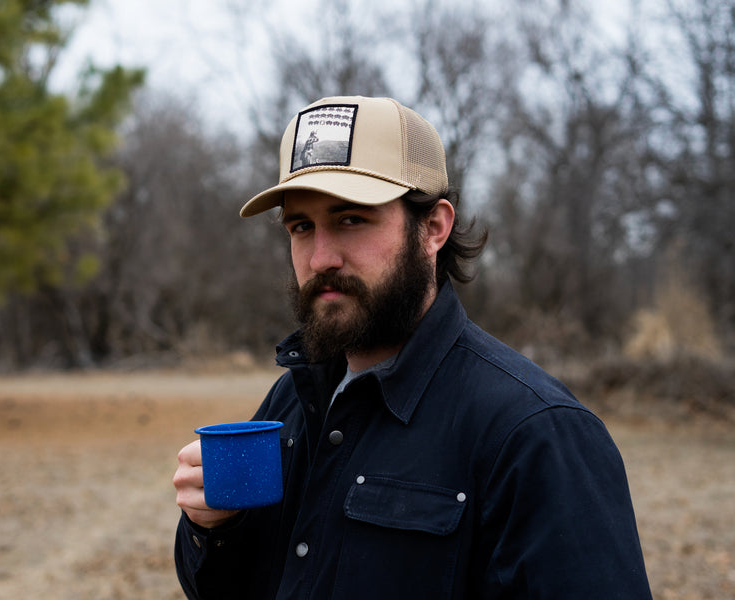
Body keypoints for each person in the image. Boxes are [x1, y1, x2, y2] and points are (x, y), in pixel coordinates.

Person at [173, 95, 652, 599]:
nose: (320, 257)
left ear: (434, 228)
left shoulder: (537, 433)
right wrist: (212, 530)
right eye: (301, 226)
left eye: (351, 219)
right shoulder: (291, 403)